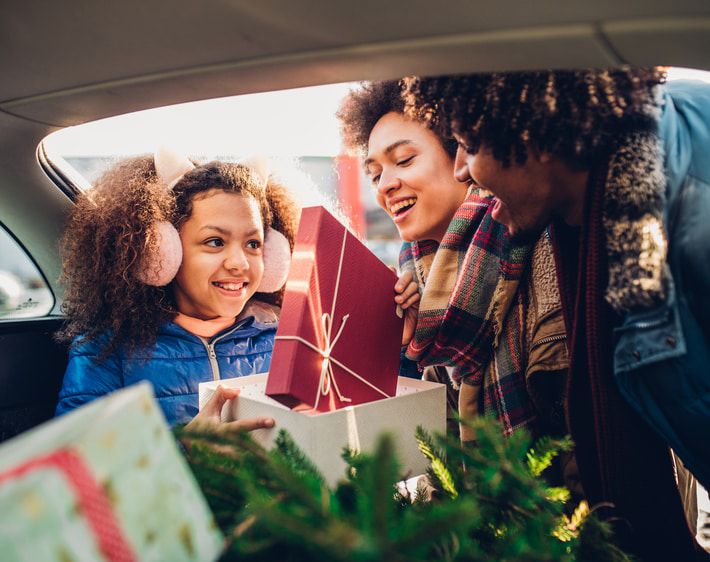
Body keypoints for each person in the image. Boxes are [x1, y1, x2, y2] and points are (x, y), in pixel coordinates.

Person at [405, 68, 710, 560]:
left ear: (527, 127)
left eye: (468, 143)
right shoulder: (589, 213)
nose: (462, 169)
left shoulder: (690, 196)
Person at [337, 81, 572, 457]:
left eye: (404, 159)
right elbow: (436, 452)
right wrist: (401, 349)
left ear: (462, 156)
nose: (386, 185)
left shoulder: (543, 245)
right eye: (375, 173)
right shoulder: (419, 279)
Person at [55, 149, 299, 430]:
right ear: (160, 250)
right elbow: (82, 460)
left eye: (253, 244)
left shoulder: (287, 338)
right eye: (215, 242)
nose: (239, 263)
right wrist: (187, 449)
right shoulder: (107, 348)